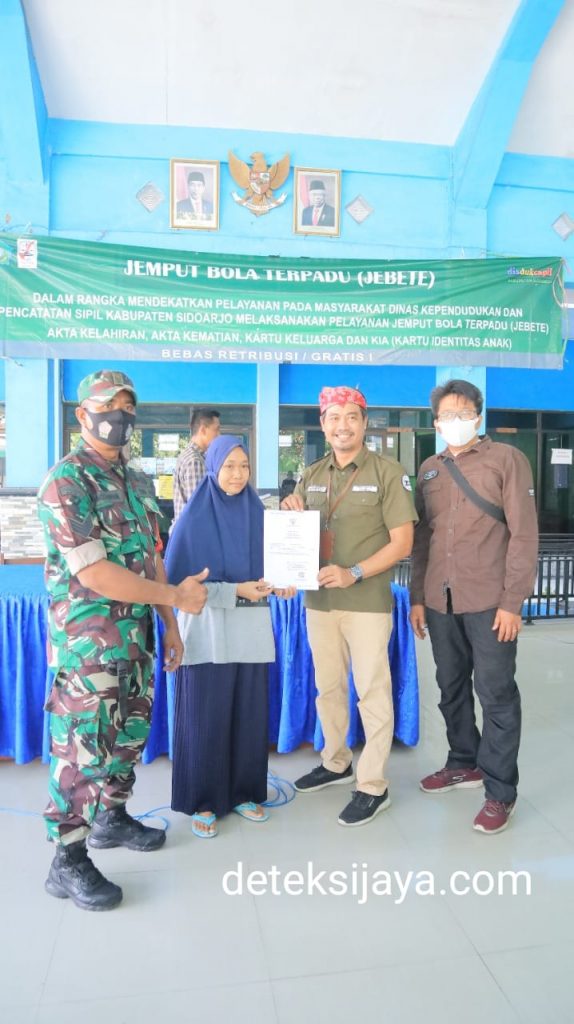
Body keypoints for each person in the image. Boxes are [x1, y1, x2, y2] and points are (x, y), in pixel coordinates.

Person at [37, 369, 208, 911]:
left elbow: (153, 556)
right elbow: (95, 574)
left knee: (128, 735)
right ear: (82, 414)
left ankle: (111, 817)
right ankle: (67, 859)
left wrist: (170, 623)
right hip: (90, 645)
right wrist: (175, 597)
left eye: (127, 406)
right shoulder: (66, 481)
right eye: (107, 405)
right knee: (83, 747)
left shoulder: (136, 481)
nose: (119, 415)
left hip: (136, 639)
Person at [282, 386, 417, 826]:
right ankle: (336, 761)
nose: (343, 425)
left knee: (371, 691)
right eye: (334, 417)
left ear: (364, 424)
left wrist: (353, 572)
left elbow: (403, 543)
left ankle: (373, 785)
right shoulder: (310, 475)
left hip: (365, 602)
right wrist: (290, 510)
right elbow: (297, 535)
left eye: (351, 417)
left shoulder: (388, 473)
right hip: (319, 602)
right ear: (323, 425)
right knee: (328, 688)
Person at [409, 379, 538, 834]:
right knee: (450, 687)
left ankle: (501, 792)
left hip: (490, 601)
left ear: (478, 417)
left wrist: (512, 602)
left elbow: (523, 534)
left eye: (464, 413)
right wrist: (417, 597)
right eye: (447, 415)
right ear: (436, 422)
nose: (456, 421)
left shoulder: (507, 459)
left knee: (496, 693)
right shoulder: (430, 469)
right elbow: (422, 538)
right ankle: (464, 761)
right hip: (440, 600)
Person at [165, 435, 295, 837]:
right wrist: (236, 589)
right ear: (213, 468)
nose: (238, 475)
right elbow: (180, 586)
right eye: (229, 466)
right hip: (207, 634)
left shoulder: (259, 515)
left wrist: (283, 583)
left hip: (249, 634)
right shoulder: (193, 519)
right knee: (206, 716)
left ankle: (243, 792)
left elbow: (273, 571)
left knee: (247, 715)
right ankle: (203, 800)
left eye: (244, 466)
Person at [172, 407, 220, 522]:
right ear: (203, 430)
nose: (219, 434)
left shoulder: (190, 455)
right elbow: (199, 508)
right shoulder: (194, 461)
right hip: (193, 530)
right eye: (216, 429)